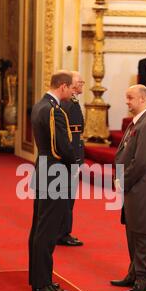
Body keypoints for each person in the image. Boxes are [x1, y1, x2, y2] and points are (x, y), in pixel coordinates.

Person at [111, 85, 146, 291]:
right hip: (134, 187)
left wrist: (122, 180)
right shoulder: (138, 121)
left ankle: (144, 279)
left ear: (142, 99)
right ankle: (134, 273)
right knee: (132, 231)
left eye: (130, 98)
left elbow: (142, 161)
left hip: (142, 188)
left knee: (142, 234)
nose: (127, 101)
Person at [28, 71, 77, 291]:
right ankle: (43, 282)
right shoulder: (53, 110)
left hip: (44, 169)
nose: (72, 91)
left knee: (39, 227)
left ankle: (38, 278)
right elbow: (62, 147)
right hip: (56, 173)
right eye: (71, 87)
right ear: (63, 86)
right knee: (47, 231)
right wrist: (74, 160)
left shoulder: (39, 105)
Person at [57, 71, 85, 247]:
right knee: (67, 196)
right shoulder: (69, 103)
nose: (82, 83)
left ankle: (62, 231)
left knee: (67, 196)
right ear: (72, 84)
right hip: (70, 156)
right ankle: (63, 232)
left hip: (73, 154)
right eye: (79, 81)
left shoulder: (72, 101)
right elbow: (69, 134)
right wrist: (73, 158)